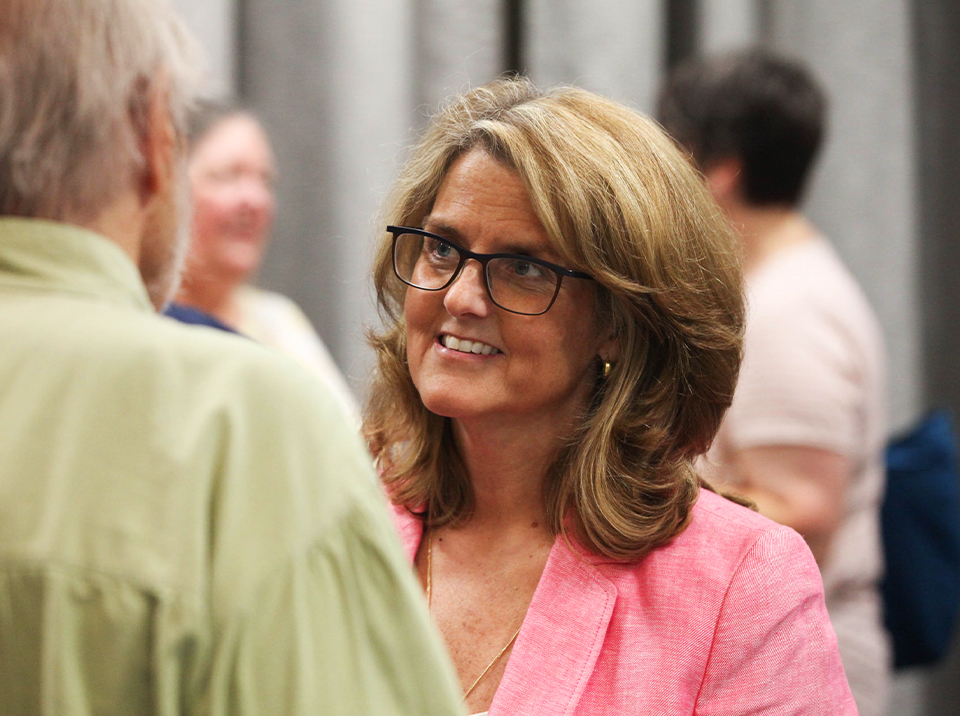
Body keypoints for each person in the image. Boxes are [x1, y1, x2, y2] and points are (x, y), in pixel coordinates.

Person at [0, 1, 464, 714]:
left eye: (265, 179)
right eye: (443, 250)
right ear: (157, 140)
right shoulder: (239, 425)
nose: (468, 296)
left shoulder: (270, 352)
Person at [364, 76, 855, 715]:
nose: (459, 297)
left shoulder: (740, 580)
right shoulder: (335, 522)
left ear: (619, 325)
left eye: (524, 268)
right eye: (440, 249)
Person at [658, 49, 890, 715]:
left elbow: (804, 509)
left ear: (720, 170)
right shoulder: (778, 287)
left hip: (799, 650)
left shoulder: (789, 313)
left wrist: (632, 489)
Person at [168, 100, 357, 419]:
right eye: (228, 176)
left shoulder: (279, 319)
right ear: (168, 185)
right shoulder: (141, 325)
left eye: (265, 181)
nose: (255, 201)